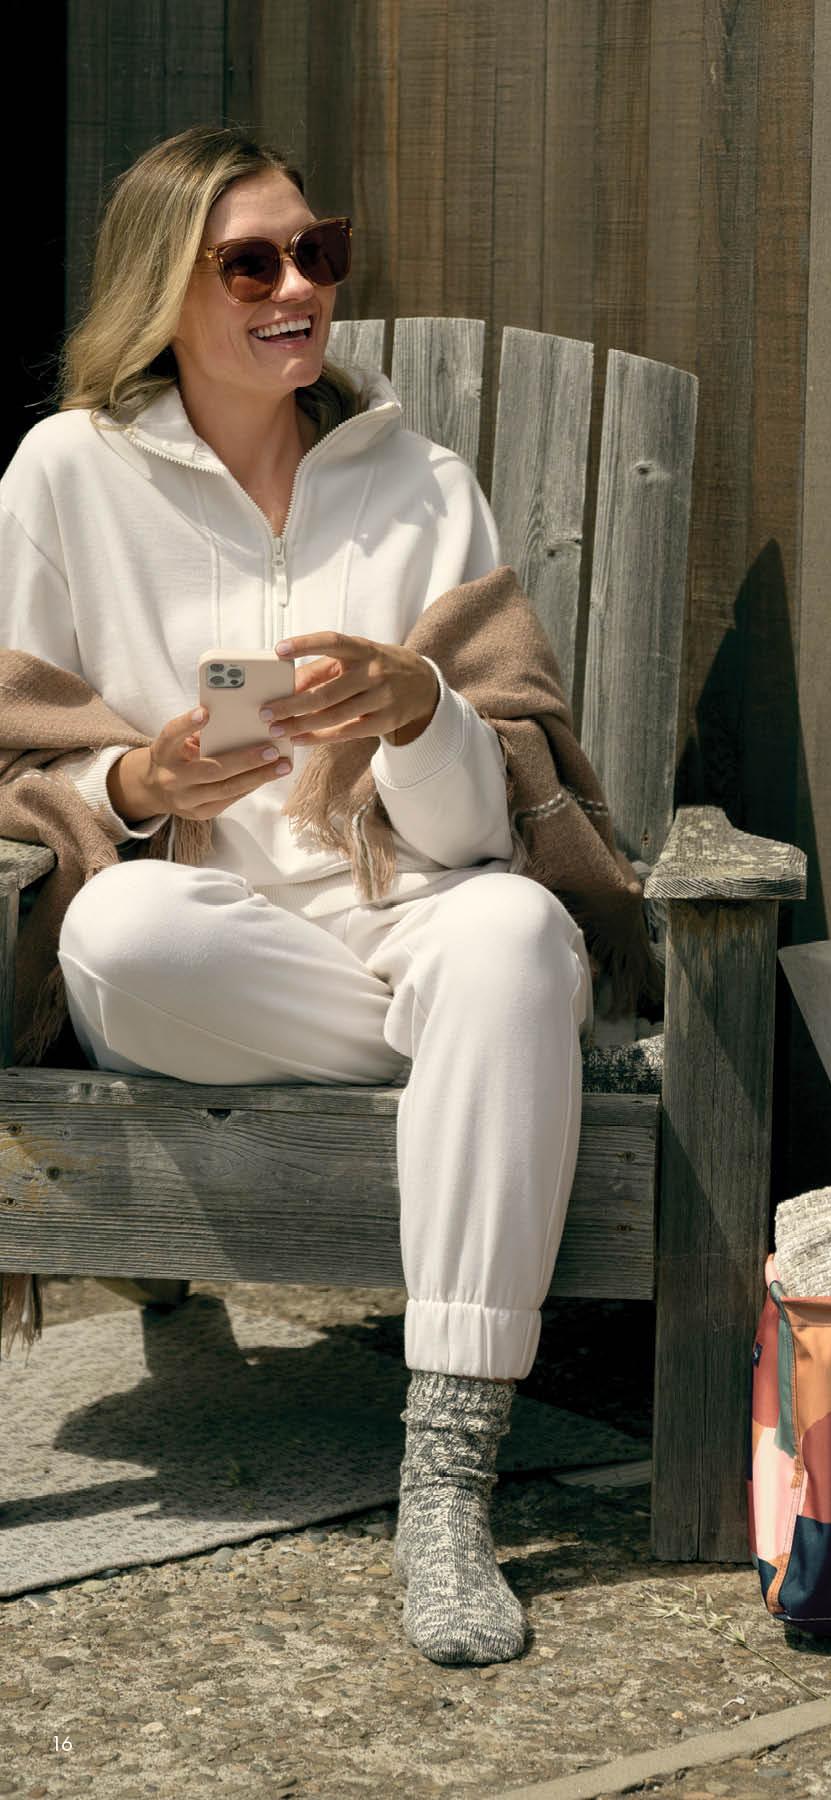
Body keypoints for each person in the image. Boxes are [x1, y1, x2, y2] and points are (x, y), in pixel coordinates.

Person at [0, 124, 596, 1668]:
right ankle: (481, 1064)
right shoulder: (67, 475)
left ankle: (447, 1484)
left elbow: (485, 835)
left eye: (316, 252)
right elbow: (17, 753)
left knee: (516, 933)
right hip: (209, 951)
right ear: (164, 287)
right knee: (114, 928)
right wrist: (140, 783)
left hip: (407, 913)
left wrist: (419, 711)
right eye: (250, 263)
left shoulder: (423, 484)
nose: (296, 287)